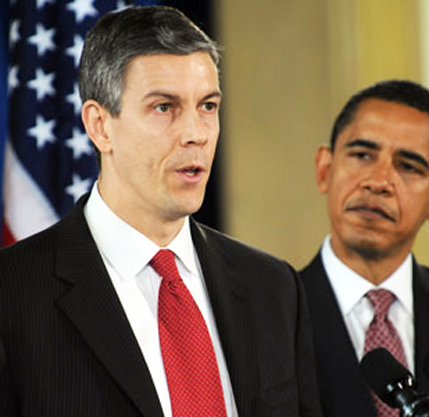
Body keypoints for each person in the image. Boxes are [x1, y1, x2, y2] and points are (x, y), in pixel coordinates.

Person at [0, 6, 322, 417]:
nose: (196, 134)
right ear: (100, 126)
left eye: (207, 106)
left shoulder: (274, 289)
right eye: (164, 107)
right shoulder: (11, 295)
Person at [300, 79, 429, 417]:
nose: (378, 182)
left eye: (408, 166)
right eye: (362, 155)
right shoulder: (268, 317)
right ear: (324, 169)